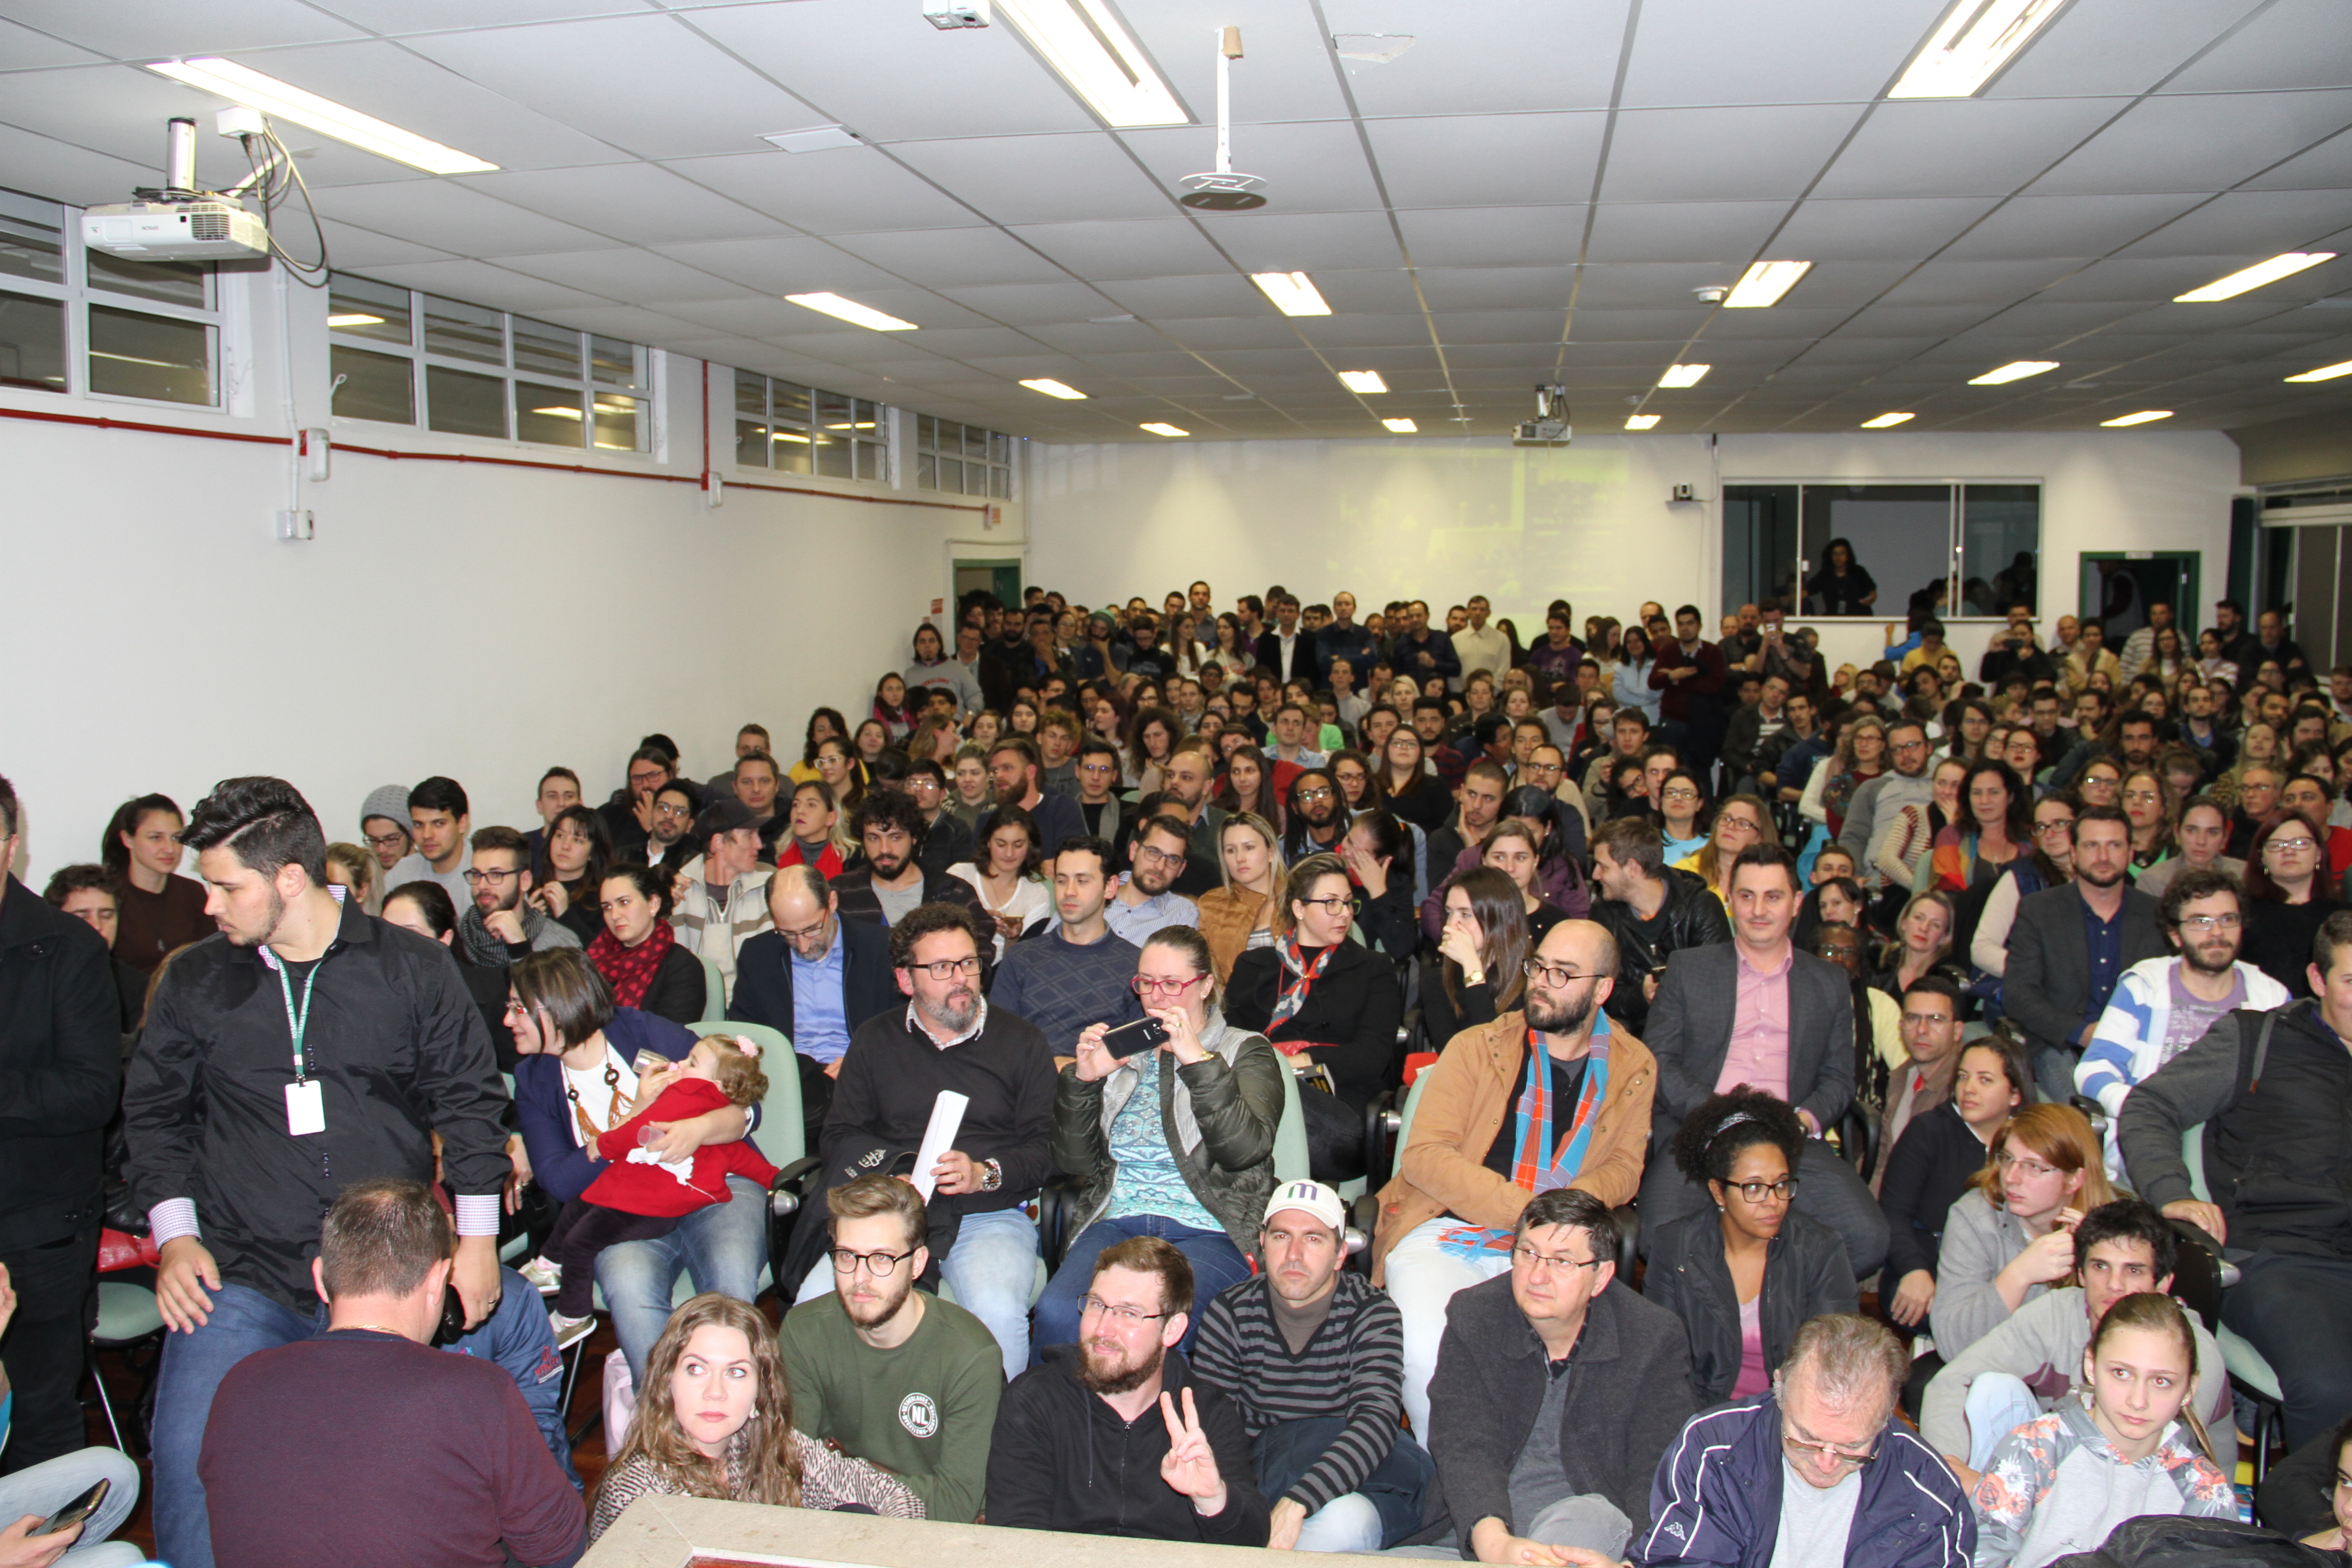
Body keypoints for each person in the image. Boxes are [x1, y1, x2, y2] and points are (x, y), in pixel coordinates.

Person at [123, 777, 510, 1568]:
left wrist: (476, 1242)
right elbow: (155, 1114)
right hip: (239, 1269)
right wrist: (175, 1237)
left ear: (288, 879)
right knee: (193, 1463)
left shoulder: (410, 969)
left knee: (389, 1481)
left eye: (227, 886)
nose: (209, 905)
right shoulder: (199, 979)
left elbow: (470, 1106)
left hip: (386, 1271)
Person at [197, 1180, 585, 1568]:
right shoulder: (477, 1390)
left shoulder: (239, 1382)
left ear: (320, 1279)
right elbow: (559, 1550)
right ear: (440, 1281)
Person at [1374, 918, 1657, 1440]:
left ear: (1602, 990)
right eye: (1538, 966)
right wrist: (1524, 1210)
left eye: (1563, 973)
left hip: (1561, 1243)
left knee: (1577, 1364)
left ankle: (1527, 1477)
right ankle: (1456, 1478)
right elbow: (1425, 1157)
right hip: (1451, 1230)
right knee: (1422, 1342)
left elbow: (1624, 1169)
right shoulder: (1477, 1047)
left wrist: (1559, 1217)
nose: (1542, 982)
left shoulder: (1634, 1064)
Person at [2117, 909, 2352, 1450]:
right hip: (2278, 1259)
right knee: (2331, 1387)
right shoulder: (2257, 1039)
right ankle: (2315, 1524)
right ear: (2317, 981)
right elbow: (2150, 1106)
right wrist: (2172, 1193)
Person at [803, 903, 1055, 1380]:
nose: (960, 978)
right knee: (814, 1306)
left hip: (988, 1211)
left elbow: (1046, 1150)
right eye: (941, 968)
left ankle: (998, 1445)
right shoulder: (875, 1041)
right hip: (889, 1214)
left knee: (998, 1313)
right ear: (906, 980)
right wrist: (887, 1178)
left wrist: (986, 1173)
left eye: (968, 963)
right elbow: (839, 1136)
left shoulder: (1023, 1042)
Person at [505, 949, 769, 1382]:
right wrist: (632, 1117)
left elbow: (748, 1107)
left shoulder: (642, 1032)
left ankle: (738, 1421)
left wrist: (701, 1128)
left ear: (563, 1004)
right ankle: (665, 1429)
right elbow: (558, 1180)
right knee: (629, 1292)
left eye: (519, 1007)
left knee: (730, 1275)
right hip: (626, 1208)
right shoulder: (534, 1080)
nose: (508, 1020)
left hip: (717, 1185)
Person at [1639, 843, 1890, 1280]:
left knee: (1867, 1240)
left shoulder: (1828, 983)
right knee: (1659, 1239)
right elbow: (1658, 1060)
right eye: (1747, 896)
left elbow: (1837, 1079)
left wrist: (1802, 1122)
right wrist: (1717, 1115)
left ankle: (1775, 1305)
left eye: (1773, 897)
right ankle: (1724, 1322)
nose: (1759, 909)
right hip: (1701, 1134)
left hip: (1789, 1139)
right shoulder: (1688, 968)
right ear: (1730, 901)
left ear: (1796, 903)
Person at [1413, 1188, 1690, 1564]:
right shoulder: (1475, 1315)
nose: (1537, 1276)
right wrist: (1496, 1546)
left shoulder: (1652, 1337)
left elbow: (1656, 1469)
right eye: (1528, 1253)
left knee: (1584, 1518)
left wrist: (1637, 1561)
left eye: (1562, 1262)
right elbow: (1463, 1444)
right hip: (1482, 1537)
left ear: (1601, 1276)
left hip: (1588, 1535)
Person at [1039, 927, 1281, 1356]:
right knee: (1060, 1313)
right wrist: (1085, 1081)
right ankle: (1066, 1422)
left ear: (1206, 985)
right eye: (1146, 983)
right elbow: (1073, 1163)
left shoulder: (1246, 1049)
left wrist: (1199, 1062)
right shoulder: (1122, 1051)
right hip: (1118, 1223)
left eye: (1172, 984)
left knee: (1164, 1329)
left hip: (1210, 1229)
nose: (1156, 998)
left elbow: (1244, 1151)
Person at [1191, 1180, 1432, 1554]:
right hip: (1260, 1480)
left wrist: (1298, 1502)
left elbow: (1376, 1422)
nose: (1294, 1255)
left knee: (1344, 1522)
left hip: (1352, 1482)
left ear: (1340, 1255)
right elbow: (1215, 1428)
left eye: (1314, 1240)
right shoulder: (1231, 1312)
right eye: (1281, 1236)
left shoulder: (1372, 1312)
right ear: (1262, 1243)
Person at [985, 1235, 1271, 1545]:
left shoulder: (1206, 1415)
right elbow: (1017, 1538)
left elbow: (1252, 1543)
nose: (1103, 1329)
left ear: (1172, 1329)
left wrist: (1213, 1501)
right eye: (1097, 1305)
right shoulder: (1035, 1401)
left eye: (1129, 1313)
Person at [1921, 1200, 2232, 1483]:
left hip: (2165, 1502)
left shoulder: (2189, 1350)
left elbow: (2145, 1463)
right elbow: (1950, 1383)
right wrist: (1949, 1466)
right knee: (1992, 1389)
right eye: (2100, 1267)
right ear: (2081, 1274)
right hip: (2071, 1476)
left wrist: (2029, 1499)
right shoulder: (2058, 1313)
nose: (2114, 1285)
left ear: (2162, 1284)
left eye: (2134, 1270)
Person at [1635, 1314, 1973, 1568]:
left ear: (1888, 1417)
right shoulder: (1715, 1449)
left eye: (1852, 1448)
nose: (1826, 1463)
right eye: (1806, 1439)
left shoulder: (1932, 1495)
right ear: (1779, 1389)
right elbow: (1681, 1560)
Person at [0, 779, 122, 1477]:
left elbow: (91, 1091)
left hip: (36, 1227)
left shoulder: (66, 948)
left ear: (13, 847)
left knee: (39, 1421)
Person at [592, 1291, 921, 1539]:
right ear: (667, 1382)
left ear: (761, 1392)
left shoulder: (765, 1443)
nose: (715, 1392)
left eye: (736, 1373)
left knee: (858, 1514)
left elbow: (892, 1496)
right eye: (696, 1369)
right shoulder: (640, 1492)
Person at [777, 1176, 1003, 1524]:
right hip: (839, 1523)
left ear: (917, 1263)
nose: (861, 1278)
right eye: (847, 1256)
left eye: (882, 1258)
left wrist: (848, 1472)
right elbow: (792, 1473)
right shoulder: (804, 1331)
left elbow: (954, 1505)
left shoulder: (971, 1355)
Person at [537, 1034, 778, 1344]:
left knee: (579, 1240)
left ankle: (572, 1313)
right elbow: (744, 1159)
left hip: (643, 1204)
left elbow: (640, 1131)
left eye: (691, 1063)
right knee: (619, 1267)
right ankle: (726, 1364)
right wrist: (780, 1182)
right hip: (643, 1196)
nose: (679, 1064)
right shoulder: (535, 1076)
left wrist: (603, 1143)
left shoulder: (683, 1091)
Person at [1967, 1290, 2234, 1568]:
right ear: (2091, 1367)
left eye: (2161, 1381)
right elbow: (1980, 1557)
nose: (2138, 1401)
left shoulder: (2204, 1489)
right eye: (2121, 1373)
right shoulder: (2033, 1450)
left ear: (2189, 1389)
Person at [1645, 1090, 1858, 1405]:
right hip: (1699, 1419)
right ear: (1719, 1191)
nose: (1773, 1202)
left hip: (1791, 1419)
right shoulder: (1675, 1248)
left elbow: (1834, 1364)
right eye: (1754, 1188)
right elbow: (1663, 1365)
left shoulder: (1821, 1251)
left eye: (1782, 1184)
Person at [2076, 867, 2288, 1173]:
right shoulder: (2144, 987)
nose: (2217, 933)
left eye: (2228, 919)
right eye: (2201, 922)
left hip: (2241, 1152)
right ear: (2175, 934)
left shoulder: (2271, 997)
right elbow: (2094, 1069)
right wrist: (2143, 1109)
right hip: (2153, 1144)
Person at [1225, 856, 1405, 1184]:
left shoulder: (1373, 968)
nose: (1345, 914)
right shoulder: (1254, 966)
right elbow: (1231, 1040)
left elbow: (1372, 1055)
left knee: (1241, 1097)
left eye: (1349, 904)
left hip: (1339, 1109)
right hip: (1257, 1090)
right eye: (1331, 904)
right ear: (1298, 908)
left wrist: (1293, 1063)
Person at [1999, 807, 2164, 1102]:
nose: (2103, 856)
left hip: (2137, 1046)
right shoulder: (2039, 911)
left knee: (2148, 1111)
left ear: (2130, 853)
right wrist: (2083, 1032)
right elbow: (2018, 993)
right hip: (2060, 1044)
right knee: (2087, 1114)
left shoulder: (2156, 915)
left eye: (2114, 845)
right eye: (2092, 846)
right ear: (2074, 854)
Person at [727, 866, 897, 1144]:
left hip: (858, 1074)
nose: (803, 946)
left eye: (811, 929)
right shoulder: (758, 954)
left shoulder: (879, 948)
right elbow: (744, 1032)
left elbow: (902, 1025)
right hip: (788, 1077)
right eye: (788, 934)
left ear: (832, 903)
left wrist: (863, 1060)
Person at [1877, 1035, 2029, 1343]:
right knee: (1958, 1324)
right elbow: (1892, 1214)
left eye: (1985, 1080)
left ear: (2015, 1095)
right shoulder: (1928, 1131)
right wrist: (1913, 1270)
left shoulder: (2031, 1143)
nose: (1969, 1089)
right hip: (1929, 1265)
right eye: (1963, 1077)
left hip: (2006, 1270)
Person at [992, 834, 1143, 1057]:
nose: (1069, 891)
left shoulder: (1136, 966)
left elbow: (1137, 1056)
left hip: (1103, 1086)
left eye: (1082, 881)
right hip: (1027, 1083)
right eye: (1062, 880)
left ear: (1110, 887)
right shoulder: (1021, 959)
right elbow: (999, 1042)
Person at [1587, 815, 1731, 1036]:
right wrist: (1642, 996)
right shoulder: (1604, 913)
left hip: (1696, 1034)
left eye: (1603, 867)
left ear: (1632, 868)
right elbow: (1603, 994)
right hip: (1633, 1036)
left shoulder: (1701, 907)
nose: (1595, 875)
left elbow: (1717, 986)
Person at [668, 798, 772, 1001]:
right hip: (697, 1006)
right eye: (750, 836)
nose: (759, 845)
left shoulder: (772, 885)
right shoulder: (679, 892)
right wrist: (661, 909)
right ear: (718, 843)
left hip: (754, 1005)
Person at [2240, 808, 2347, 997]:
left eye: (2300, 843)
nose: (2289, 851)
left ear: (2319, 854)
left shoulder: (2343, 916)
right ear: (2263, 858)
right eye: (2277, 844)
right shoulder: (2242, 914)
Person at [1420, 867, 1532, 1047]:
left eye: (1465, 915)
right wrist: (1472, 968)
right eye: (1449, 913)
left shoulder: (1532, 979)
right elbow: (1457, 1055)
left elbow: (1499, 1053)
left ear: (1499, 920)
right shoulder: (1436, 981)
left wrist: (1473, 969)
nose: (1451, 925)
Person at [101, 791, 209, 972]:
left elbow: (211, 959)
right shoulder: (108, 895)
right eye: (156, 838)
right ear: (128, 839)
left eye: (176, 838)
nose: (169, 849)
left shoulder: (193, 893)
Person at [588, 862, 707, 1024]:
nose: (614, 915)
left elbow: (670, 1039)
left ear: (653, 904)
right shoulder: (595, 956)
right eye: (607, 907)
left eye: (624, 903)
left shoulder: (682, 967)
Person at [456, 824, 582, 970]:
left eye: (496, 875)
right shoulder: (457, 939)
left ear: (525, 881)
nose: (482, 886)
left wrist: (519, 945)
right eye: (477, 874)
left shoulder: (561, 946)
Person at [1196, 811, 1283, 985]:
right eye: (1231, 850)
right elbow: (1208, 973)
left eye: (1249, 847)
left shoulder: (1301, 897)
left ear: (1271, 853)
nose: (1240, 858)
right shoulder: (1211, 905)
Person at [1103, 813, 1202, 946]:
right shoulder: (1094, 893)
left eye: (1173, 860)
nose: (1160, 867)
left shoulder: (1183, 915)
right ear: (1134, 851)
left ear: (1181, 869)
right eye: (1153, 852)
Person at [988, 737, 1086, 865]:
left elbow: (1072, 862)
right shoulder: (988, 819)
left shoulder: (1061, 809)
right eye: (995, 770)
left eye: (1007, 768)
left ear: (1030, 772)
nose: (998, 775)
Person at [382, 775, 474, 904]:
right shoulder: (402, 875)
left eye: (439, 824)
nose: (427, 835)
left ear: (462, 823)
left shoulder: (484, 873)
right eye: (419, 825)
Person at [1806, 537, 1879, 615]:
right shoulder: (1825, 575)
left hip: (1859, 619)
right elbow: (1807, 591)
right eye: (1835, 554)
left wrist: (1870, 599)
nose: (1838, 557)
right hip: (1835, 620)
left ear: (1848, 555)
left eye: (1842, 553)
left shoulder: (1858, 572)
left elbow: (1872, 591)